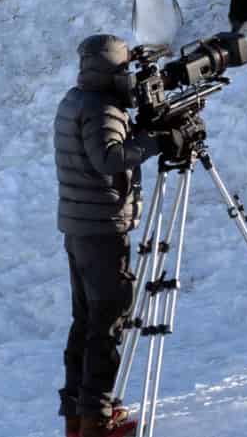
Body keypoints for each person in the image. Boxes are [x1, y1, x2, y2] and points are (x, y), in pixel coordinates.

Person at [54, 34, 182, 437]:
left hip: (78, 226)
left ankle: (78, 415)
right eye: (126, 69)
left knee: (87, 321)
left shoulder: (75, 99)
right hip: (102, 229)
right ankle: (98, 420)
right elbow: (109, 158)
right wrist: (154, 141)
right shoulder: (102, 108)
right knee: (108, 323)